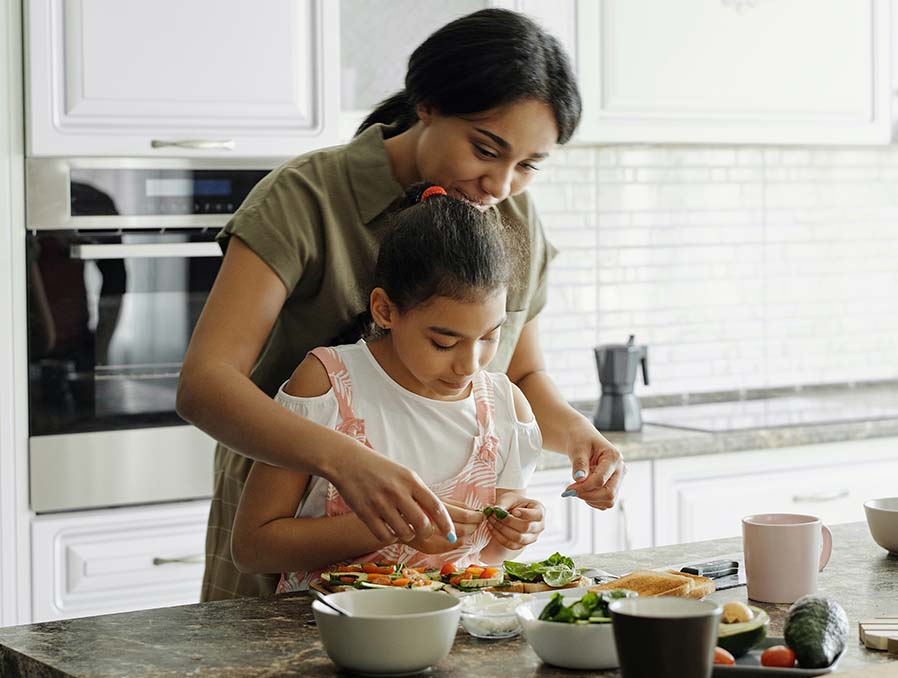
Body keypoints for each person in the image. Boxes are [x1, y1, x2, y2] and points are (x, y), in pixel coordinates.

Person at [176, 7, 626, 602]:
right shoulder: (305, 198)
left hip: (436, 579)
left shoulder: (511, 214)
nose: (501, 184)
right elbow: (205, 384)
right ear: (428, 105)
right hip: (290, 529)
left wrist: (577, 436)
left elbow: (519, 373)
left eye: (528, 166)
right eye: (486, 149)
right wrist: (345, 461)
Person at [231, 184, 546, 590]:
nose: (470, 364)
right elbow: (252, 548)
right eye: (444, 342)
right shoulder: (327, 386)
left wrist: (514, 534)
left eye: (490, 336)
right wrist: (390, 527)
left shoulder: (505, 408)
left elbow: (489, 559)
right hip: (322, 636)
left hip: (453, 637)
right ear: (385, 310)